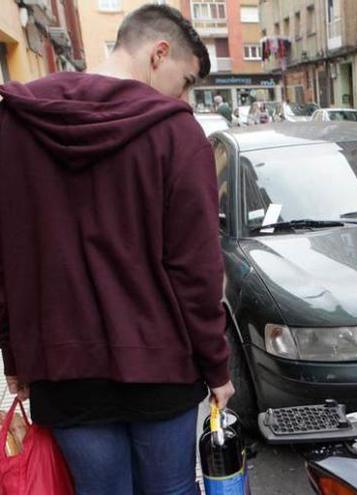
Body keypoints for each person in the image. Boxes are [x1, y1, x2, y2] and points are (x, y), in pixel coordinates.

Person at [0, 5, 233, 494]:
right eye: (186, 80)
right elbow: (196, 269)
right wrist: (216, 366)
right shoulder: (175, 132)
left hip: (62, 367)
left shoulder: (16, 126)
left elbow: (7, 255)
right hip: (162, 363)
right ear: (158, 53)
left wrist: (15, 355)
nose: (184, 95)